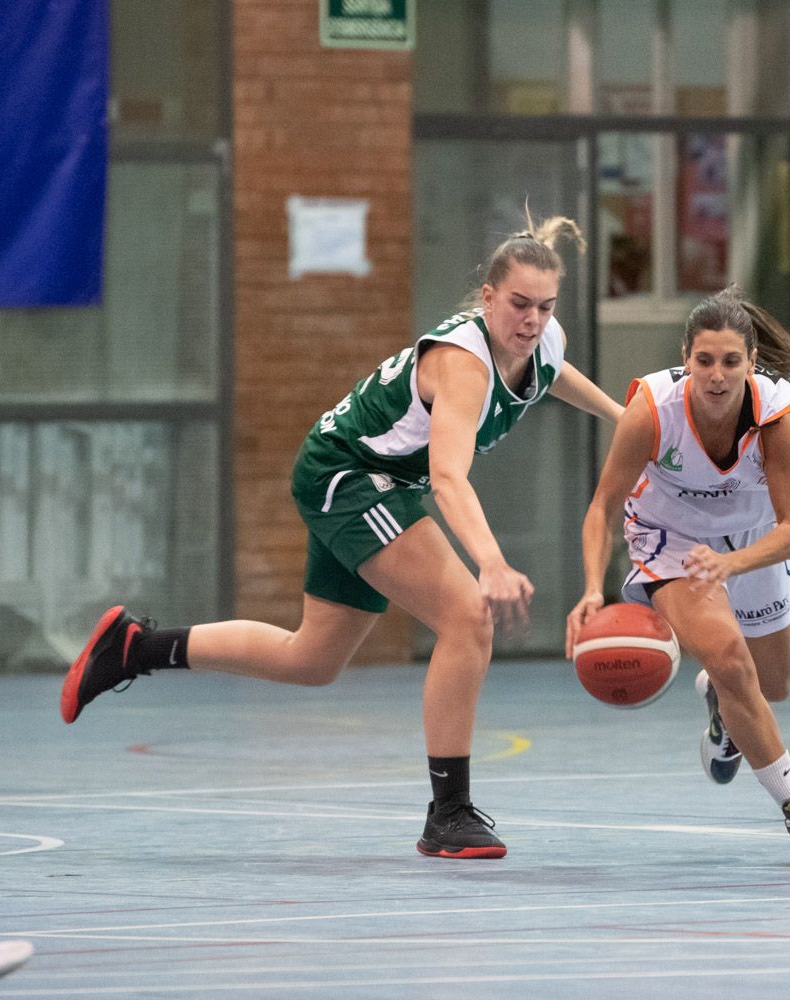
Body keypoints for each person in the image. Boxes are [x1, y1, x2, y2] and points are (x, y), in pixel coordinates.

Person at [60, 212, 623, 861]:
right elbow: (446, 478)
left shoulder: (543, 339)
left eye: (544, 307)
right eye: (519, 304)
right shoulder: (463, 366)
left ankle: (134, 647)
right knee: (468, 617)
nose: (531, 320)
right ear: (488, 297)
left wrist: (619, 413)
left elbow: (555, 370)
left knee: (312, 660)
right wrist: (491, 562)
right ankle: (449, 813)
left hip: (375, 478)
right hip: (349, 476)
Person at [567, 287, 790, 866]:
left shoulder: (774, 413)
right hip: (673, 539)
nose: (716, 376)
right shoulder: (653, 409)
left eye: (731, 362)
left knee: (772, 686)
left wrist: (734, 562)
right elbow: (603, 507)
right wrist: (592, 587)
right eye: (705, 361)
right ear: (686, 357)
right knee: (730, 657)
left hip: (754, 535)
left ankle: (720, 704)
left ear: (751, 362)